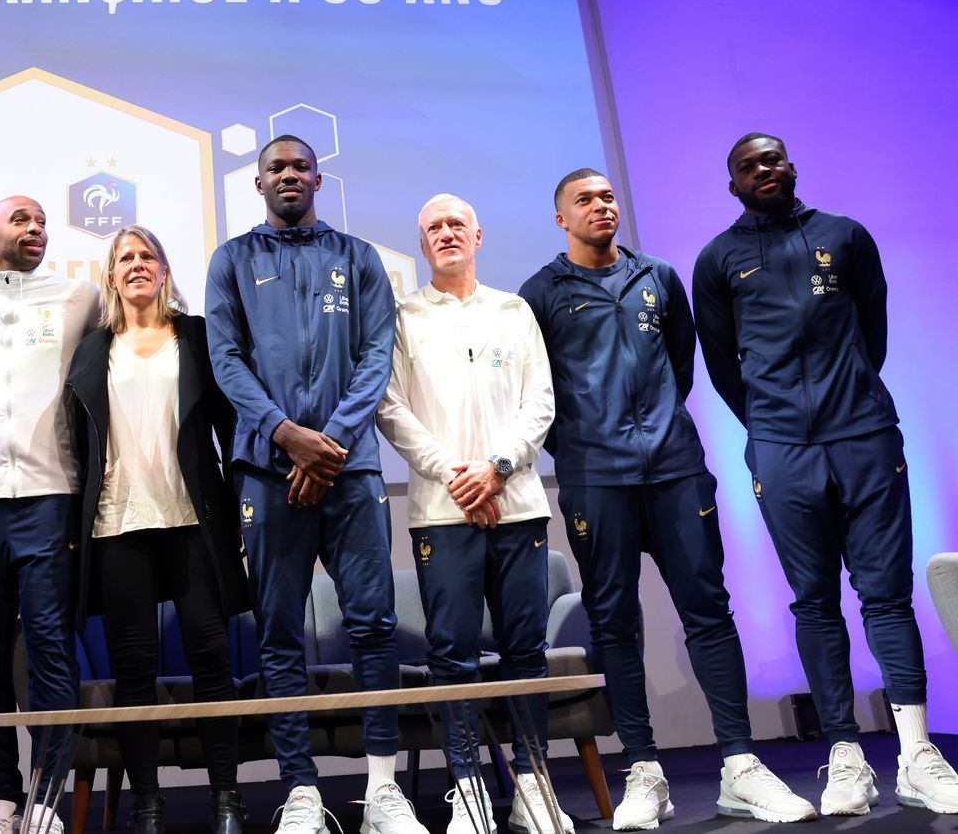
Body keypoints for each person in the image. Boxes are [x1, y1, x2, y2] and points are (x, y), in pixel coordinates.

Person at [693, 133, 958, 817]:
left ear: (792, 167)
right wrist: (773, 422)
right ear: (732, 183)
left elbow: (872, 335)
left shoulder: (846, 235)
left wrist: (846, 399)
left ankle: (916, 754)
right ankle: (846, 756)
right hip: (780, 448)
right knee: (814, 601)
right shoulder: (717, 260)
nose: (765, 169)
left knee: (886, 594)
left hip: (864, 435)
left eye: (775, 158)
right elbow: (721, 366)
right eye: (749, 165)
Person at [519, 169, 813, 831]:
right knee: (614, 623)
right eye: (585, 200)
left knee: (708, 608)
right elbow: (534, 388)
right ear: (561, 218)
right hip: (596, 477)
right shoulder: (539, 292)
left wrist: (652, 428)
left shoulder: (658, 276)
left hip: (676, 468)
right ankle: (644, 772)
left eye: (607, 196)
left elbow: (681, 364)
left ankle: (740, 764)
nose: (601, 206)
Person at [204, 135, 423, 834]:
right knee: (277, 632)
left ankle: (383, 789)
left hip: (350, 467)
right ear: (258, 181)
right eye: (277, 168)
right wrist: (285, 434)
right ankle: (301, 789)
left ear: (319, 178)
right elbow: (225, 358)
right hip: (265, 469)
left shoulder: (358, 258)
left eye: (300, 166)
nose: (289, 175)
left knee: (372, 624)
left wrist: (325, 444)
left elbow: (375, 355)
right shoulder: (232, 260)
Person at [377, 194, 570, 834]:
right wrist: (455, 474)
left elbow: (540, 401)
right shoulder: (402, 317)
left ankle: (533, 786)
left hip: (516, 505)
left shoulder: (514, 311)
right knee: (451, 653)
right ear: (422, 242)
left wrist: (498, 468)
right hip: (440, 509)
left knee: (526, 650)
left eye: (456, 223)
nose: (446, 233)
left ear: (478, 235)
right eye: (432, 227)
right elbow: (389, 407)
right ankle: (469, 789)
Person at [65, 225, 252, 834]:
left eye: (148, 256)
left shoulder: (197, 338)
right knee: (134, 669)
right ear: (112, 277)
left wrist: (241, 512)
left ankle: (226, 796)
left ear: (165, 272)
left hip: (192, 521)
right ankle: (147, 801)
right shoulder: (93, 349)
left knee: (211, 657)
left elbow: (230, 427)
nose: (138, 265)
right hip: (118, 524)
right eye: (125, 258)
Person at [0, 195, 100, 834]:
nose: (35, 229)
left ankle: (48, 799)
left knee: (50, 650)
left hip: (49, 496)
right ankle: (4, 799)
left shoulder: (80, 298)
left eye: (41, 222)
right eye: (21, 221)